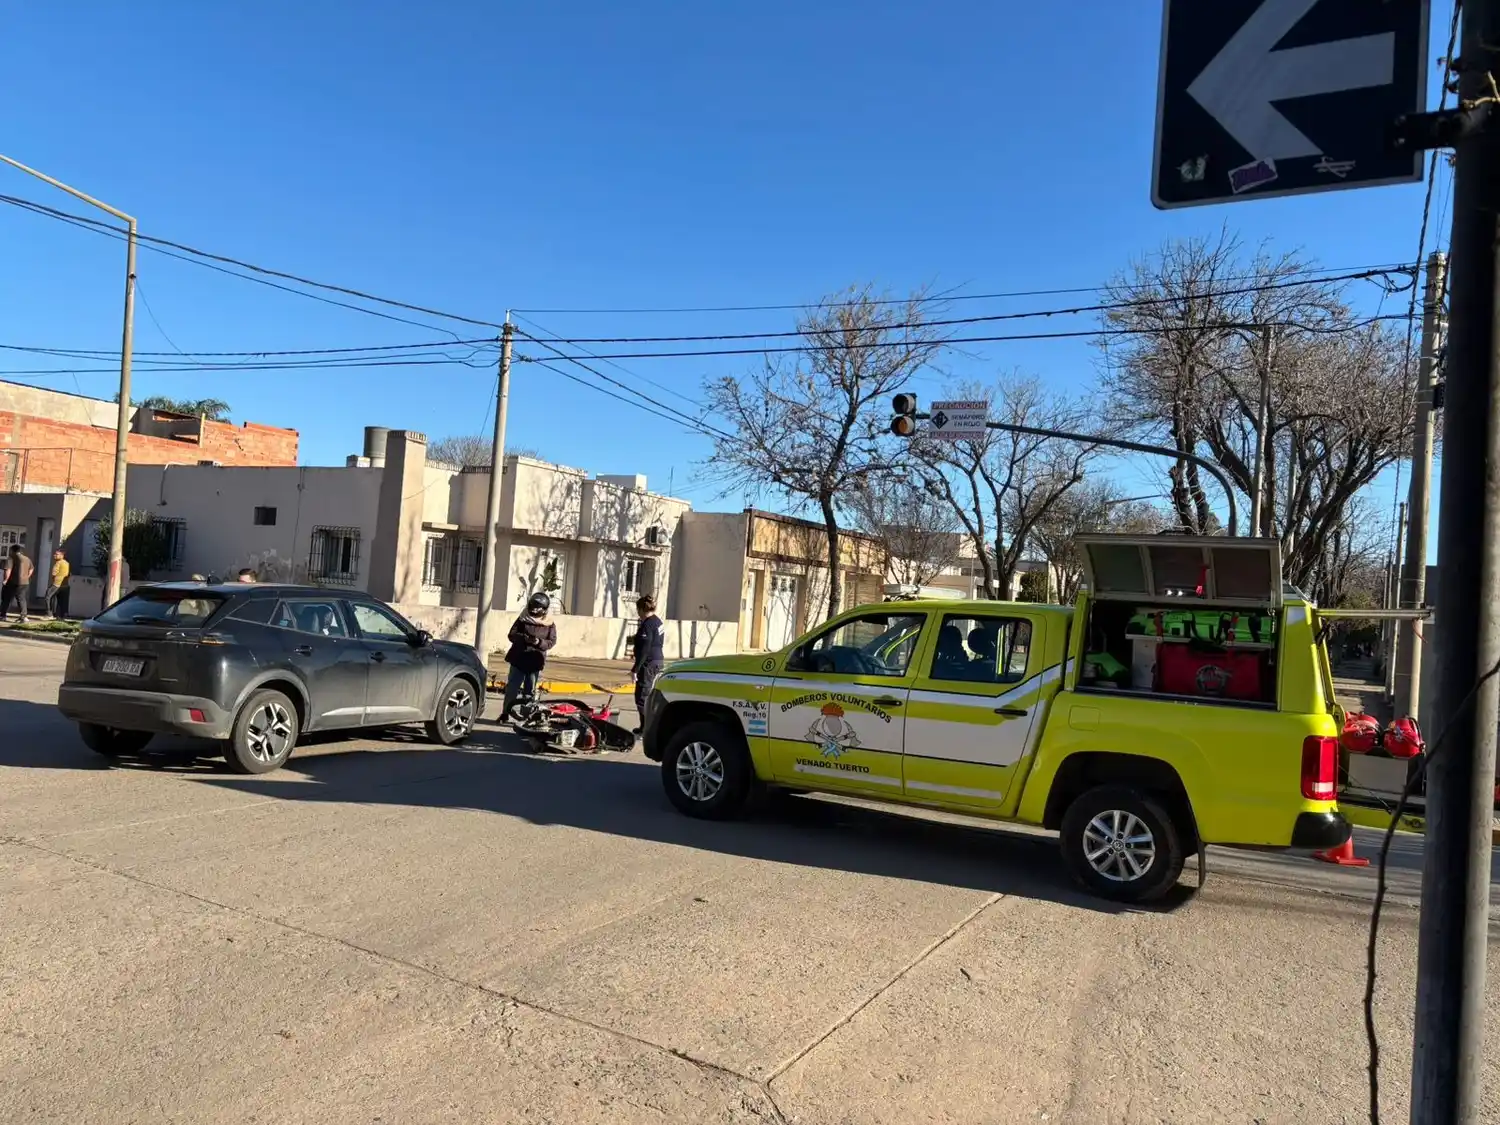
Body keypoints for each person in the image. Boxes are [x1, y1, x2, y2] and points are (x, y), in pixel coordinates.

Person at [501, 592, 557, 720]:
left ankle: (526, 716)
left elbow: (551, 642)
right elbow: (512, 634)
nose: (533, 610)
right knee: (512, 689)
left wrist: (538, 642)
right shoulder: (522, 618)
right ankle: (505, 713)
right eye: (532, 606)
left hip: (535, 661)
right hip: (518, 658)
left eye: (537, 608)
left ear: (544, 610)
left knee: (529, 691)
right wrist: (524, 639)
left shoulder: (550, 623)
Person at [631, 594, 665, 735]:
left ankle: (646, 728)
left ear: (640, 609)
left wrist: (635, 669)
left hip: (648, 663)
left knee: (642, 696)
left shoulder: (647, 625)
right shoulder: (658, 622)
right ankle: (646, 726)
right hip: (657, 661)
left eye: (638, 610)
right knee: (648, 695)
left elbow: (645, 649)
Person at [1, 545, 33, 622]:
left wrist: (5, 580)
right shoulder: (27, 559)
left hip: (12, 582)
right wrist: (26, 577)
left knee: (6, 598)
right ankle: (24, 616)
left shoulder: (11, 558)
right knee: (21, 598)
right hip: (24, 582)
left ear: (12, 550)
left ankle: (3, 615)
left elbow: (8, 569)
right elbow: (31, 569)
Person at [45, 549, 70, 620]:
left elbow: (54, 573)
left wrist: (54, 578)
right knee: (61, 601)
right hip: (65, 585)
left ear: (62, 555)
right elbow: (69, 574)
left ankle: (49, 614)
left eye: (56, 554)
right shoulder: (67, 563)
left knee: (48, 597)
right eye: (55, 554)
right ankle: (60, 616)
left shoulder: (58, 563)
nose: (54, 555)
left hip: (57, 584)